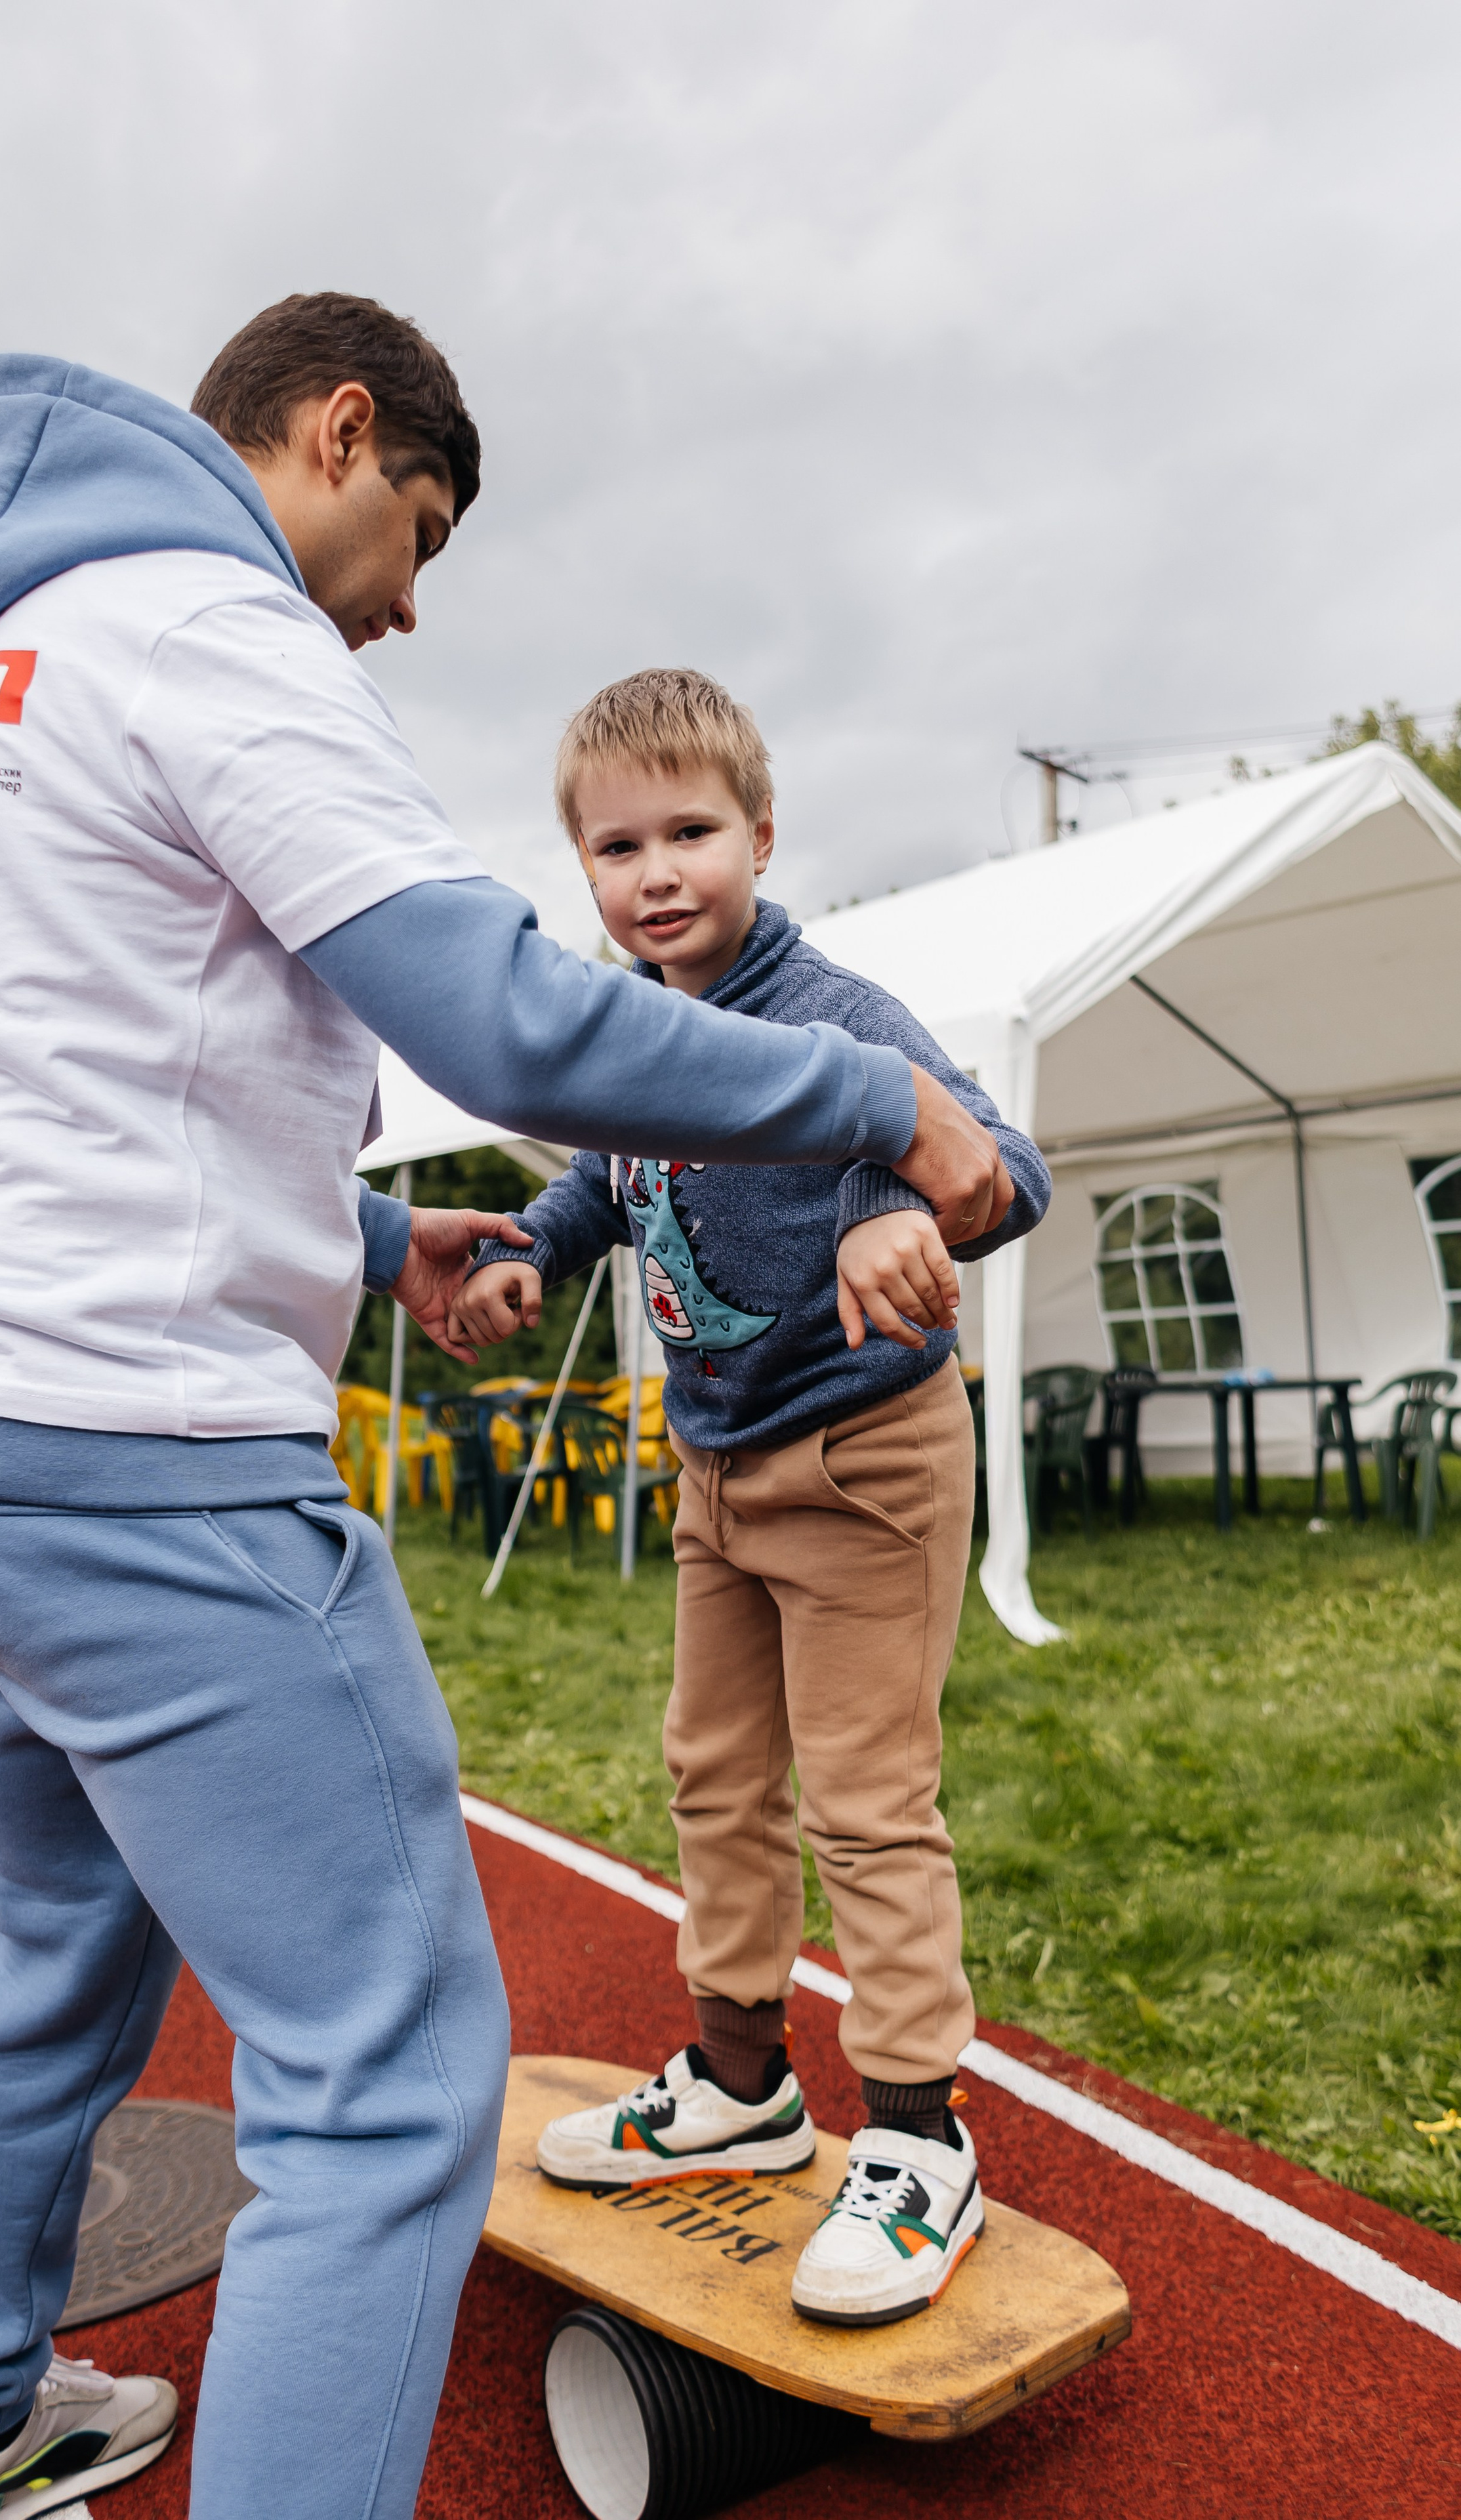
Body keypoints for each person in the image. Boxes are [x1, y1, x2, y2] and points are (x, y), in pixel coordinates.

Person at [0, 303, 1016, 2520]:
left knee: (58, 1935)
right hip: (143, 1453)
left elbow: (44, 1082)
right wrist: (883, 1104)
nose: (401, 602)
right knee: (386, 2090)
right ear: (342, 435)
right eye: (422, 535)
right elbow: (503, 1021)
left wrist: (380, 1248)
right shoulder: (216, 625)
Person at [451, 668, 1050, 2328]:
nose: (656, 874)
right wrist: (533, 1253)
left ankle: (920, 2138)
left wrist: (889, 1210)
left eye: (690, 834)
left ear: (761, 837)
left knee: (865, 1802)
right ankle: (738, 2085)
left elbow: (1007, 1168)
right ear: (581, 867)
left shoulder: (835, 1016)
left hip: (862, 1464)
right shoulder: (629, 1022)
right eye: (615, 845)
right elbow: (609, 1173)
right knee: (710, 1777)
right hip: (712, 1466)